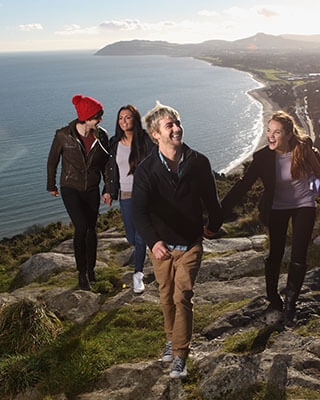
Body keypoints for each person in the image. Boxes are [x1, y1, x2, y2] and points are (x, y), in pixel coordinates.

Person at [132, 102, 222, 378]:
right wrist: (153, 241)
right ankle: (172, 339)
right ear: (155, 134)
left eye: (177, 123)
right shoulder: (146, 170)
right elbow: (138, 211)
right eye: (169, 125)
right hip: (161, 248)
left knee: (182, 296)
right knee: (166, 298)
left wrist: (212, 226)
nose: (176, 129)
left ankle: (180, 355)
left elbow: (213, 202)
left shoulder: (198, 162)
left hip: (190, 244)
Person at [221, 110, 320, 325]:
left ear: (289, 134)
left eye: (277, 132)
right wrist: (219, 212)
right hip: (277, 208)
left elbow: (314, 158)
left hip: (304, 205)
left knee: (299, 255)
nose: (271, 136)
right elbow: (243, 186)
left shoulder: (303, 146)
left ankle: (291, 302)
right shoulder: (263, 156)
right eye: (269, 131)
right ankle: (273, 297)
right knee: (276, 252)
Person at [47, 94, 111, 291]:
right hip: (70, 188)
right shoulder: (62, 135)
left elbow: (107, 165)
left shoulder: (102, 136)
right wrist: (51, 185)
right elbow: (52, 160)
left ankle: (91, 271)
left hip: (92, 189)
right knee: (81, 227)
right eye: (97, 117)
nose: (100, 121)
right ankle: (81, 274)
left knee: (92, 230)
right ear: (86, 117)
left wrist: (107, 189)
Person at [103, 105, 155, 294]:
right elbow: (110, 169)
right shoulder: (114, 142)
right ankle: (152, 246)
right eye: (121, 118)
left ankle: (138, 274)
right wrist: (108, 191)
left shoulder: (146, 140)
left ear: (135, 119)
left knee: (140, 237)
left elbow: (157, 163)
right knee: (132, 237)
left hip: (144, 193)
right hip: (125, 194)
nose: (124, 121)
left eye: (128, 117)